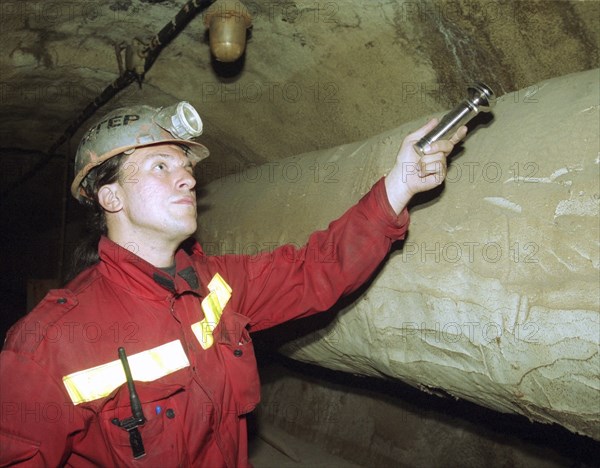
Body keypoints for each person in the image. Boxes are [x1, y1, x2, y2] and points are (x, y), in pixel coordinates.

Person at [0, 101, 466, 466]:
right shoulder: (50, 344)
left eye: (185, 167)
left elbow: (318, 268)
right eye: (161, 166)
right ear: (110, 196)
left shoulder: (218, 285)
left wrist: (399, 186)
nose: (185, 178)